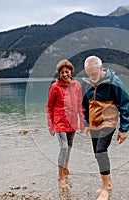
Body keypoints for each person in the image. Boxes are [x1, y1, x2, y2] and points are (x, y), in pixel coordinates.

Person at [82, 55, 129, 200]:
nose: (91, 76)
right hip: (94, 122)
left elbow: (125, 104)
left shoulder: (114, 81)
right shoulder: (87, 83)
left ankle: (105, 187)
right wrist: (86, 123)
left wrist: (123, 129)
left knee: (101, 151)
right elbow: (85, 105)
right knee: (97, 154)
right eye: (89, 74)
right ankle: (108, 182)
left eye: (94, 73)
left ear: (101, 68)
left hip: (109, 121)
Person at [46, 59, 84, 189]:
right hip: (59, 122)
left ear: (71, 72)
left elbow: (80, 105)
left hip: (72, 122)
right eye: (62, 72)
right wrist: (50, 126)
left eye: (66, 71)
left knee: (70, 145)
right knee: (63, 148)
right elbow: (49, 107)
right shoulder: (55, 87)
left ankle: (66, 169)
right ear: (59, 74)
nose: (65, 74)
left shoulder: (77, 85)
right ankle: (60, 178)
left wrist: (82, 123)